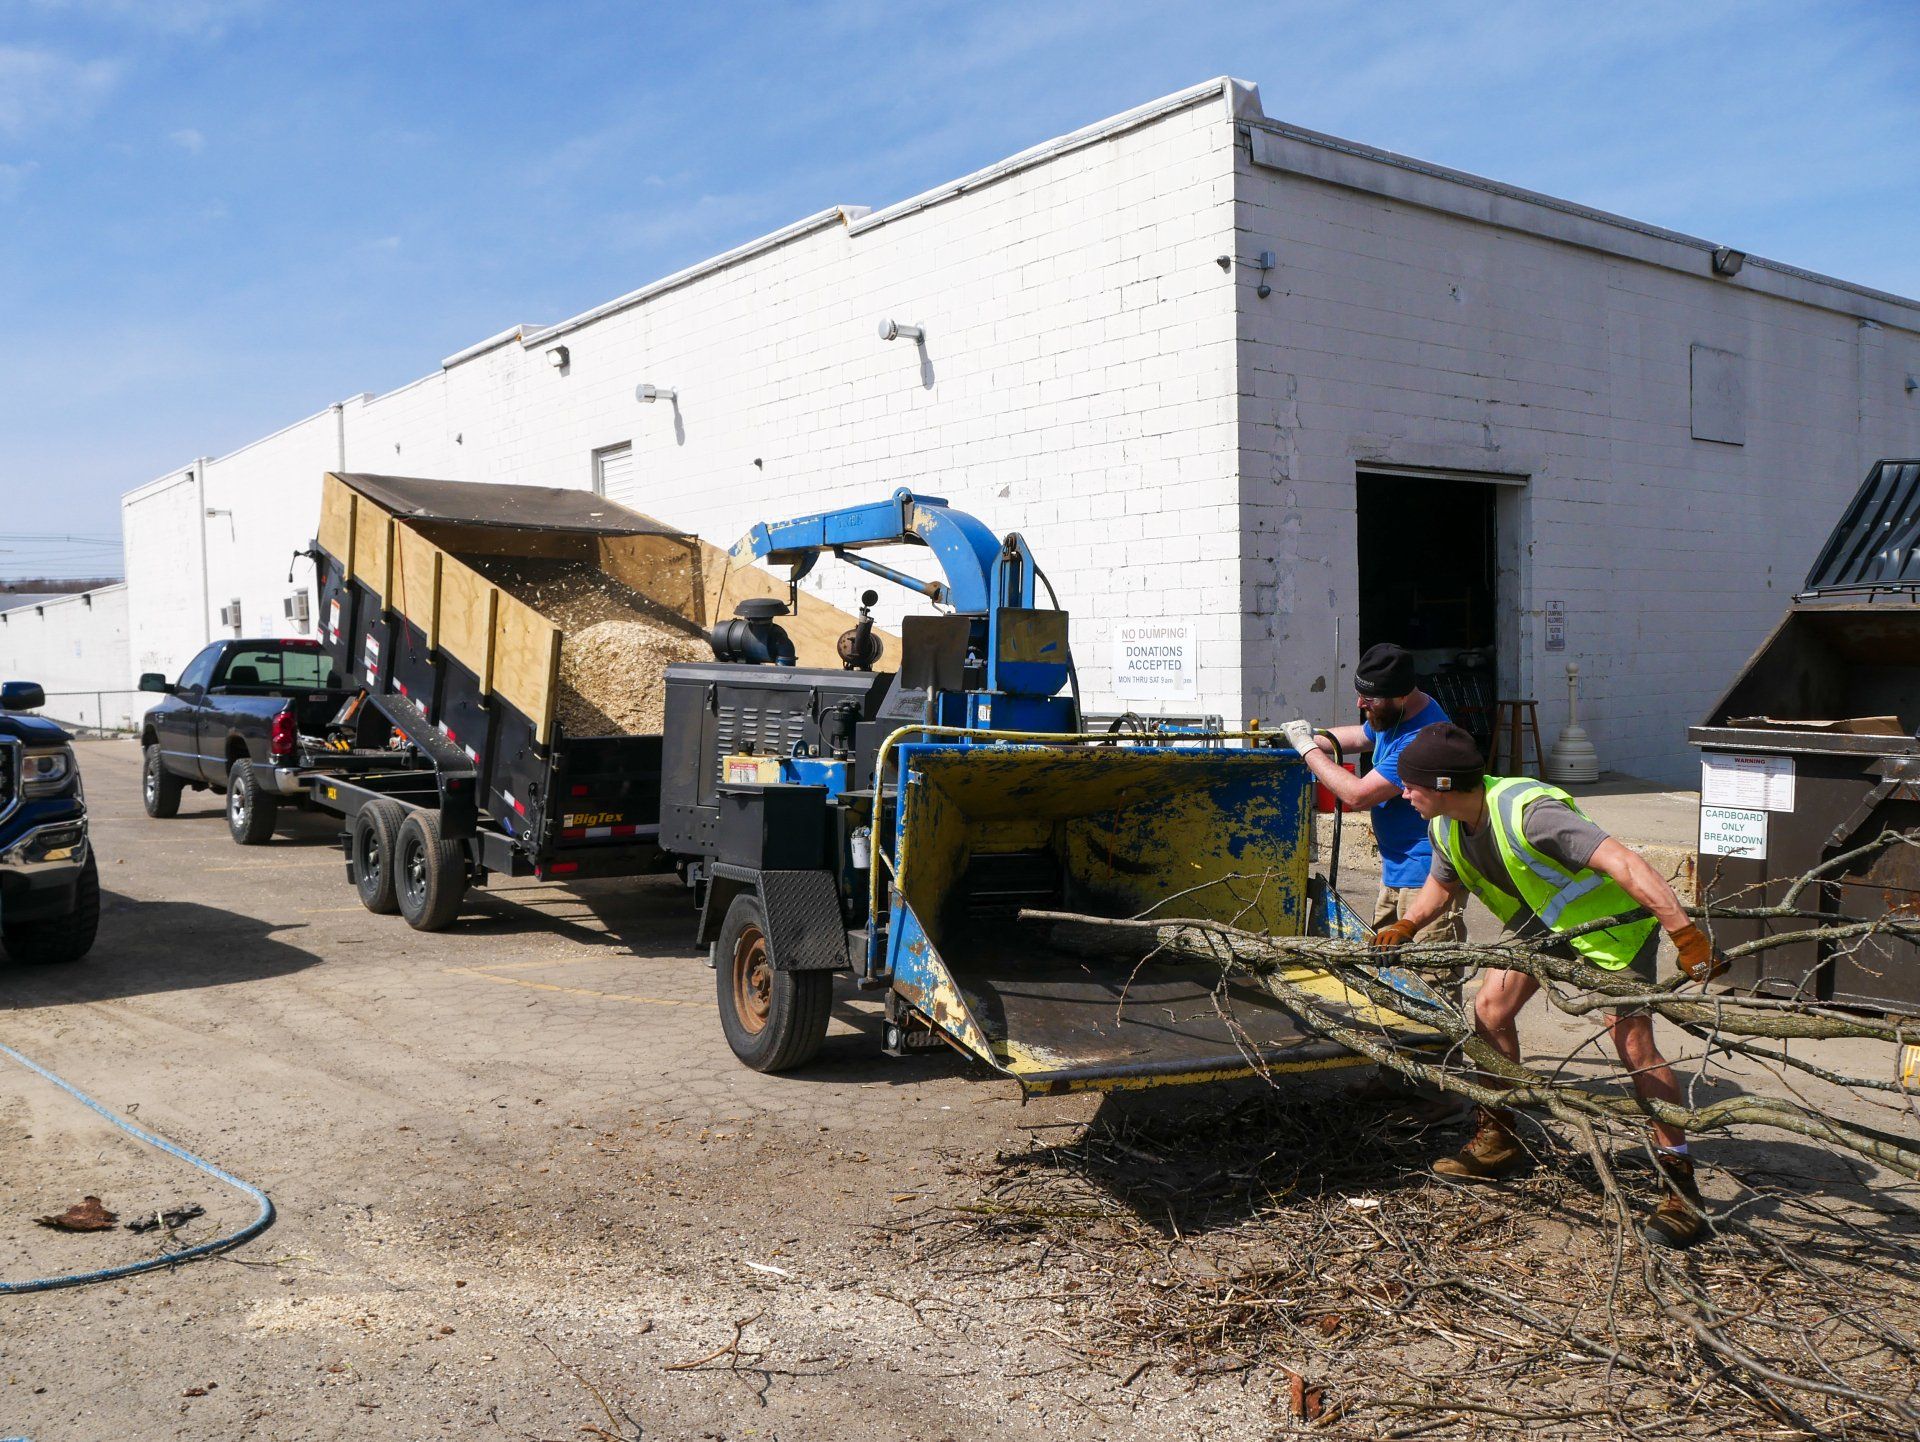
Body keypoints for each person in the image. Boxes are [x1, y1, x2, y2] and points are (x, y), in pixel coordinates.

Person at [1376, 722, 1725, 1249]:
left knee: (1632, 1044)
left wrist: (1685, 932)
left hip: (1611, 925)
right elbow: (1442, 884)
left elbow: (1626, 862)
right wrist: (1407, 925)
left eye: (1412, 785)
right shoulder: (1446, 824)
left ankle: (1681, 1191)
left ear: (1443, 784)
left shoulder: (1530, 813)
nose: (1403, 793)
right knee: (1490, 1009)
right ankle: (1500, 1137)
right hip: (1544, 919)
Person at [1279, 643, 1465, 945]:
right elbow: (1359, 736)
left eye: (1369, 700)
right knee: (1385, 970)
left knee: (1430, 976)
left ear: (1401, 695)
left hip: (1427, 876)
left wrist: (1307, 749)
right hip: (1397, 869)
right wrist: (1307, 736)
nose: (1359, 704)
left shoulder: (1421, 737)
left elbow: (1358, 795)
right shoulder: (1396, 714)